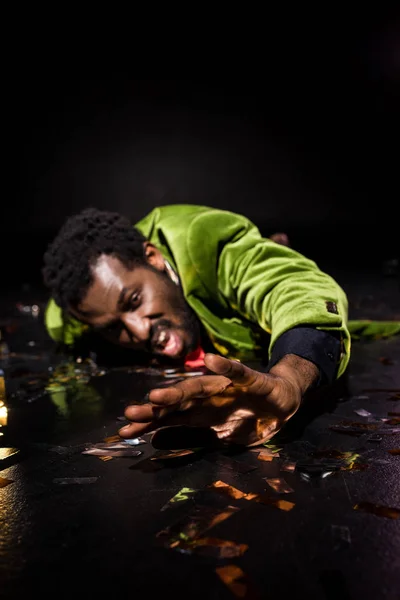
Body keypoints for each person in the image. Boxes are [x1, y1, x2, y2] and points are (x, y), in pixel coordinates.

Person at [42, 205, 400, 447]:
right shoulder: (70, 315)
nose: (137, 332)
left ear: (152, 257)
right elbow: (57, 320)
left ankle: (270, 250)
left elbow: (301, 293)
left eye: (134, 301)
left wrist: (289, 379)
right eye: (112, 328)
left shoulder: (204, 241)